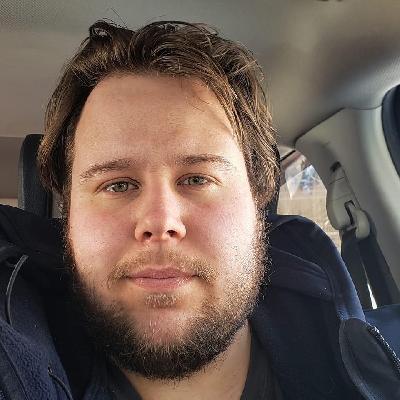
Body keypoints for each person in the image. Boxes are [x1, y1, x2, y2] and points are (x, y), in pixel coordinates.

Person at [0, 19, 399, 400]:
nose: (160, 222)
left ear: (258, 198)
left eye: (196, 179)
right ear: (68, 216)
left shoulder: (386, 365)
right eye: (118, 184)